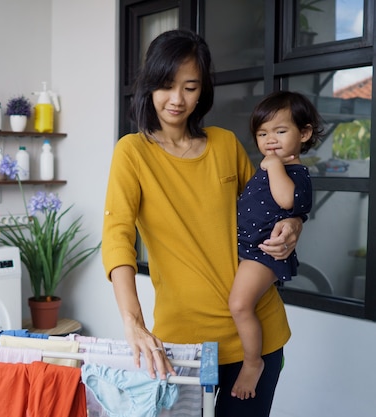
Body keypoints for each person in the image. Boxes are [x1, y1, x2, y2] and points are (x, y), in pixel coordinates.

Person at [101, 29, 303, 417]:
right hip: (183, 342)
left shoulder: (225, 145)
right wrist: (134, 323)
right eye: (165, 85)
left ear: (202, 90)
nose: (177, 99)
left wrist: (294, 224)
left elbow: (272, 209)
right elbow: (117, 237)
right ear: (149, 87)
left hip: (258, 335)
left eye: (190, 87)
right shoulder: (132, 153)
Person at [230, 91, 321, 400]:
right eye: (263, 133)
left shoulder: (296, 172)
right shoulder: (271, 166)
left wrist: (274, 166)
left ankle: (253, 362)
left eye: (280, 131)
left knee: (240, 305)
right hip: (249, 249)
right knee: (241, 304)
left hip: (264, 253)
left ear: (304, 133)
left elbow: (286, 200)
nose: (270, 140)